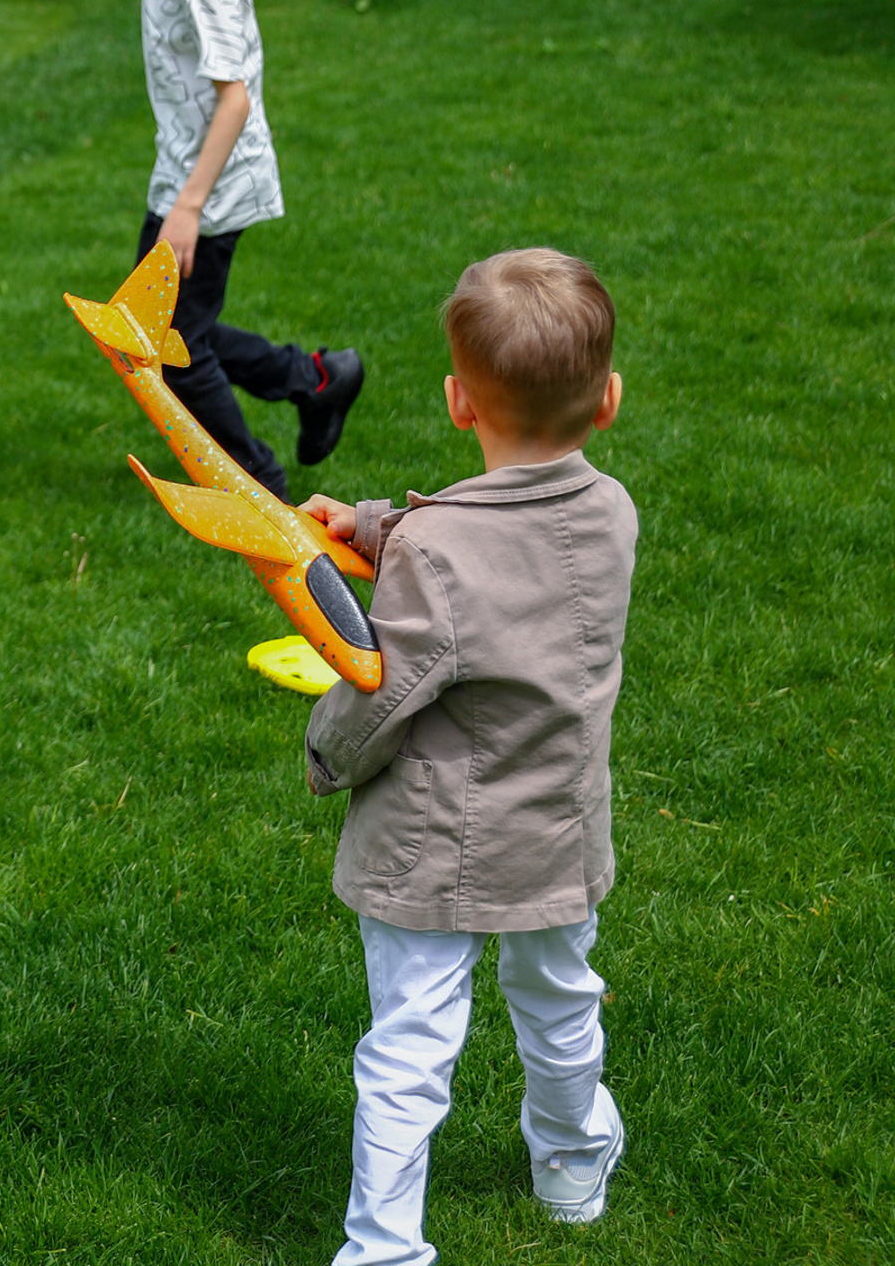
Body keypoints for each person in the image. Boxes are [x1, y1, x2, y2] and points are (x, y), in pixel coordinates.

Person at [301, 247, 636, 1264]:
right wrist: (373, 527)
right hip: (556, 831)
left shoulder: (437, 555)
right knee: (560, 1002)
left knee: (409, 1046)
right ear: (608, 400)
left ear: (458, 402)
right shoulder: (613, 514)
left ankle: (383, 1249)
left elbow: (383, 690)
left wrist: (324, 756)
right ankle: (571, 1166)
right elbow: (499, 547)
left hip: (434, 845)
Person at [92, 0, 363, 499]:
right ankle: (315, 379)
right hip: (186, 175)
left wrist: (188, 208)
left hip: (209, 187)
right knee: (162, 333)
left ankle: (259, 487)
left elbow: (234, 98)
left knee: (168, 348)